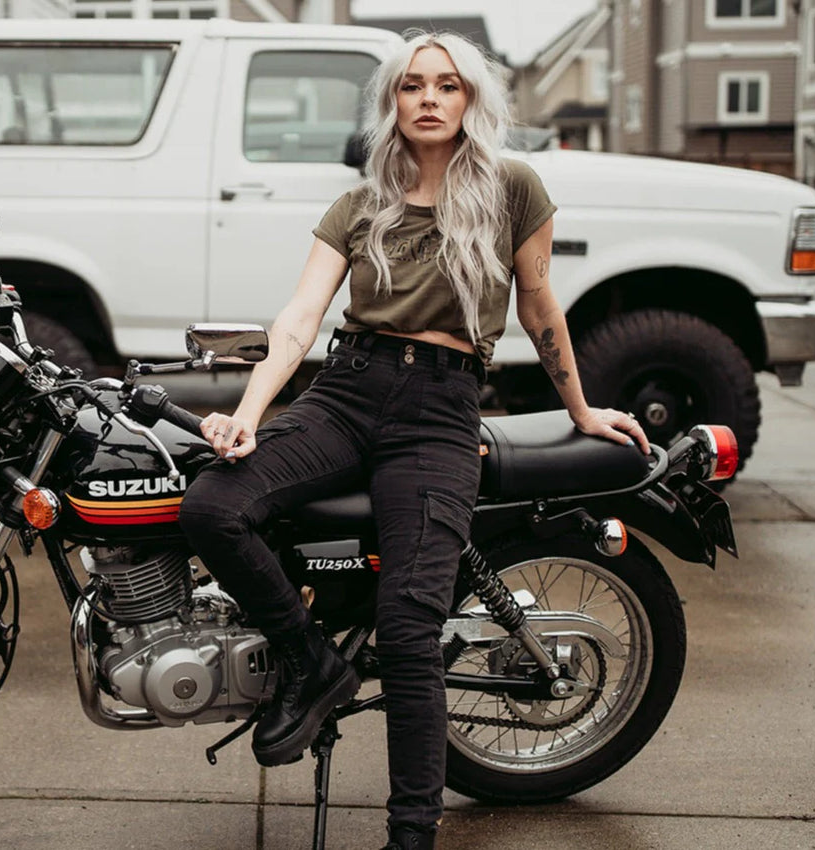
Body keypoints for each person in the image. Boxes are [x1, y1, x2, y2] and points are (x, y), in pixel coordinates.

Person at [178, 31, 649, 850]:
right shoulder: (360, 204)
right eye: (412, 86)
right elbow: (299, 319)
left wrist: (580, 409)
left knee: (407, 625)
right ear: (392, 102)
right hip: (346, 392)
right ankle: (311, 661)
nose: (429, 98)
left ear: (472, 101)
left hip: (439, 410)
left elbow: (540, 309)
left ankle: (411, 834)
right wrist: (252, 410)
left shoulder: (511, 189)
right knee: (215, 505)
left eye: (448, 85)